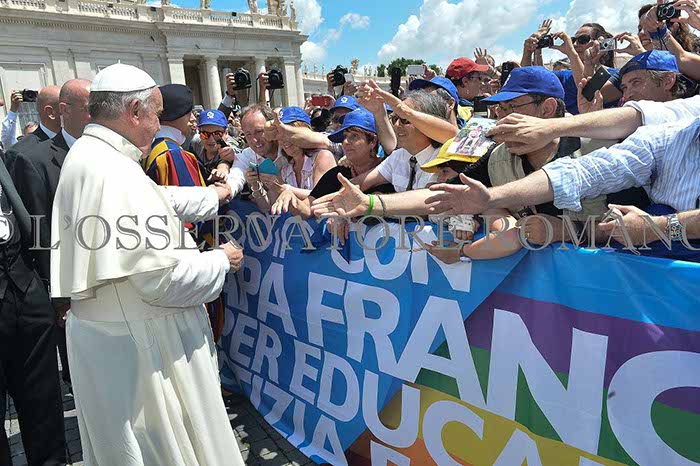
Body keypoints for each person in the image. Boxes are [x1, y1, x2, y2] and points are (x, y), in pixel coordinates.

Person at [50, 63, 245, 466]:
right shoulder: (112, 170)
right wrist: (220, 261)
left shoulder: (93, 154)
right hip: (144, 352)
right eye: (156, 114)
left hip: (112, 341)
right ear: (135, 111)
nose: (159, 125)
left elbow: (154, 198)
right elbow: (161, 281)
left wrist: (217, 194)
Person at [5, 78, 92, 391]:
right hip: (67, 284)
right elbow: (39, 230)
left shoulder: (101, 150)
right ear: (61, 111)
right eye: (89, 107)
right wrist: (58, 296)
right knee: (81, 371)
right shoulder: (28, 157)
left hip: (104, 275)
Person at [1, 152, 67, 466]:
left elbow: (36, 223)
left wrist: (55, 294)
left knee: (44, 406)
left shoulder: (9, 161)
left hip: (28, 295)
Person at [271, 108, 392, 218]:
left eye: (354, 136)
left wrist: (346, 218)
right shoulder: (337, 175)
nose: (346, 142)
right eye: (344, 136)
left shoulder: (391, 171)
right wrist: (291, 198)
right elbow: (307, 209)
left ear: (372, 141)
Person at [228, 104, 287, 197]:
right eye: (248, 134)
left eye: (259, 131)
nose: (254, 140)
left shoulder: (290, 149)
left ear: (272, 128)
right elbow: (234, 179)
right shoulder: (246, 156)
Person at [2, 85, 61, 153]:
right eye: (30, 134)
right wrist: (13, 110)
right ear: (24, 136)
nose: (35, 136)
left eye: (38, 133)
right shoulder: (21, 150)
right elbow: (8, 140)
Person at [196, 109, 236, 184]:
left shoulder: (229, 150)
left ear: (226, 133)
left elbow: (226, 161)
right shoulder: (195, 144)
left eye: (217, 134)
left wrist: (222, 169)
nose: (211, 139)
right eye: (205, 134)